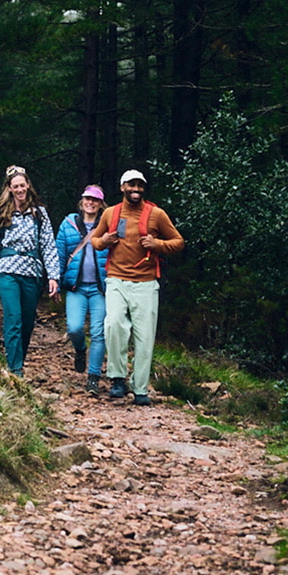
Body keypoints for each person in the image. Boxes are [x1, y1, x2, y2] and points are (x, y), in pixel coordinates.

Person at [90, 169, 184, 405]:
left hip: (146, 283)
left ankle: (140, 387)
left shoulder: (157, 214)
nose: (136, 190)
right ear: (122, 187)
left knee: (144, 336)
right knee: (113, 325)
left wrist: (157, 243)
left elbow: (178, 242)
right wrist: (104, 242)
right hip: (116, 279)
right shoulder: (110, 213)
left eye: (140, 186)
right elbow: (95, 239)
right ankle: (117, 378)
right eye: (131, 185)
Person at [0, 165, 60, 377]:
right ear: (10, 188)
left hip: (32, 272)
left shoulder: (39, 214)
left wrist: (53, 276)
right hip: (7, 272)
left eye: (23, 185)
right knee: (13, 317)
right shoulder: (1, 214)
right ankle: (15, 369)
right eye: (16, 186)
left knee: (27, 320)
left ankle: (18, 359)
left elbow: (48, 245)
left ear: (28, 186)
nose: (20, 189)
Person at [56, 184, 110, 393]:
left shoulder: (107, 226)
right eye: (88, 198)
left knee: (98, 333)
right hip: (75, 287)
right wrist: (56, 282)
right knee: (74, 328)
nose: (91, 203)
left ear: (100, 204)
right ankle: (80, 350)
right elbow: (60, 253)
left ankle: (93, 378)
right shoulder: (68, 224)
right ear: (82, 201)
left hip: (100, 288)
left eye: (95, 200)